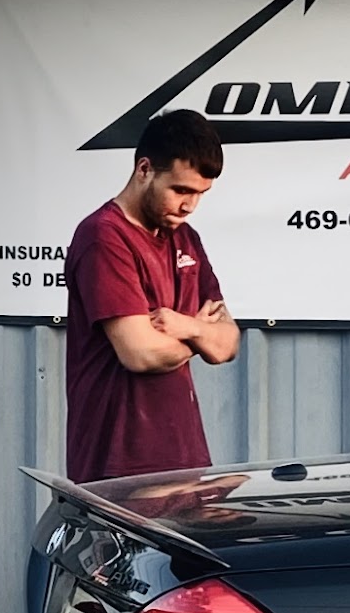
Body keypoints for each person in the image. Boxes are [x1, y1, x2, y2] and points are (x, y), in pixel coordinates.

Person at [64, 108, 240, 483]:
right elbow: (140, 354)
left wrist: (186, 327)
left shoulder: (186, 238)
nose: (190, 205)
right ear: (144, 169)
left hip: (186, 457)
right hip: (120, 465)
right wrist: (201, 337)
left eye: (201, 194)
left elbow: (227, 343)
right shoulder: (104, 237)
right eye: (181, 190)